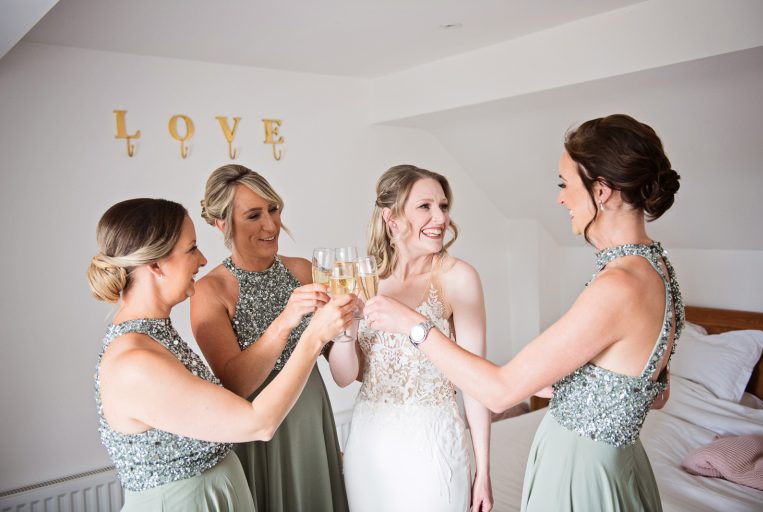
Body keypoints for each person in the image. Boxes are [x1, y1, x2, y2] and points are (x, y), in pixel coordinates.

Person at [364, 115, 683, 511]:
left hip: (581, 472)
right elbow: (653, 393)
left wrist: (413, 324)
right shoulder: (656, 268)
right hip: (616, 463)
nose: (560, 198)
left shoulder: (618, 287)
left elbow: (499, 392)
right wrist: (573, 389)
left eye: (565, 184)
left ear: (601, 192)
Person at [87, 198, 355, 511]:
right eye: (191, 249)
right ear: (156, 266)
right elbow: (260, 423)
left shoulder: (154, 336)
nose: (201, 260)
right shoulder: (133, 363)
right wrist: (314, 335)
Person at [330, 165, 493, 512]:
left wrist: (484, 471)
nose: (440, 217)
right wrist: (345, 331)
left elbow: (476, 381)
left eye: (444, 206)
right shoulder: (363, 278)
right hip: (369, 446)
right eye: (425, 206)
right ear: (391, 218)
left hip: (433, 444)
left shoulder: (459, 278)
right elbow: (344, 377)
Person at [191, 164, 349, 512]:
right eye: (253, 215)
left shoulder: (304, 270)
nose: (271, 225)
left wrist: (352, 328)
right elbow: (235, 384)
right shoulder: (210, 291)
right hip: (260, 426)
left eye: (273, 209)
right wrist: (286, 321)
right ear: (222, 224)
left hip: (311, 415)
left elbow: (345, 366)